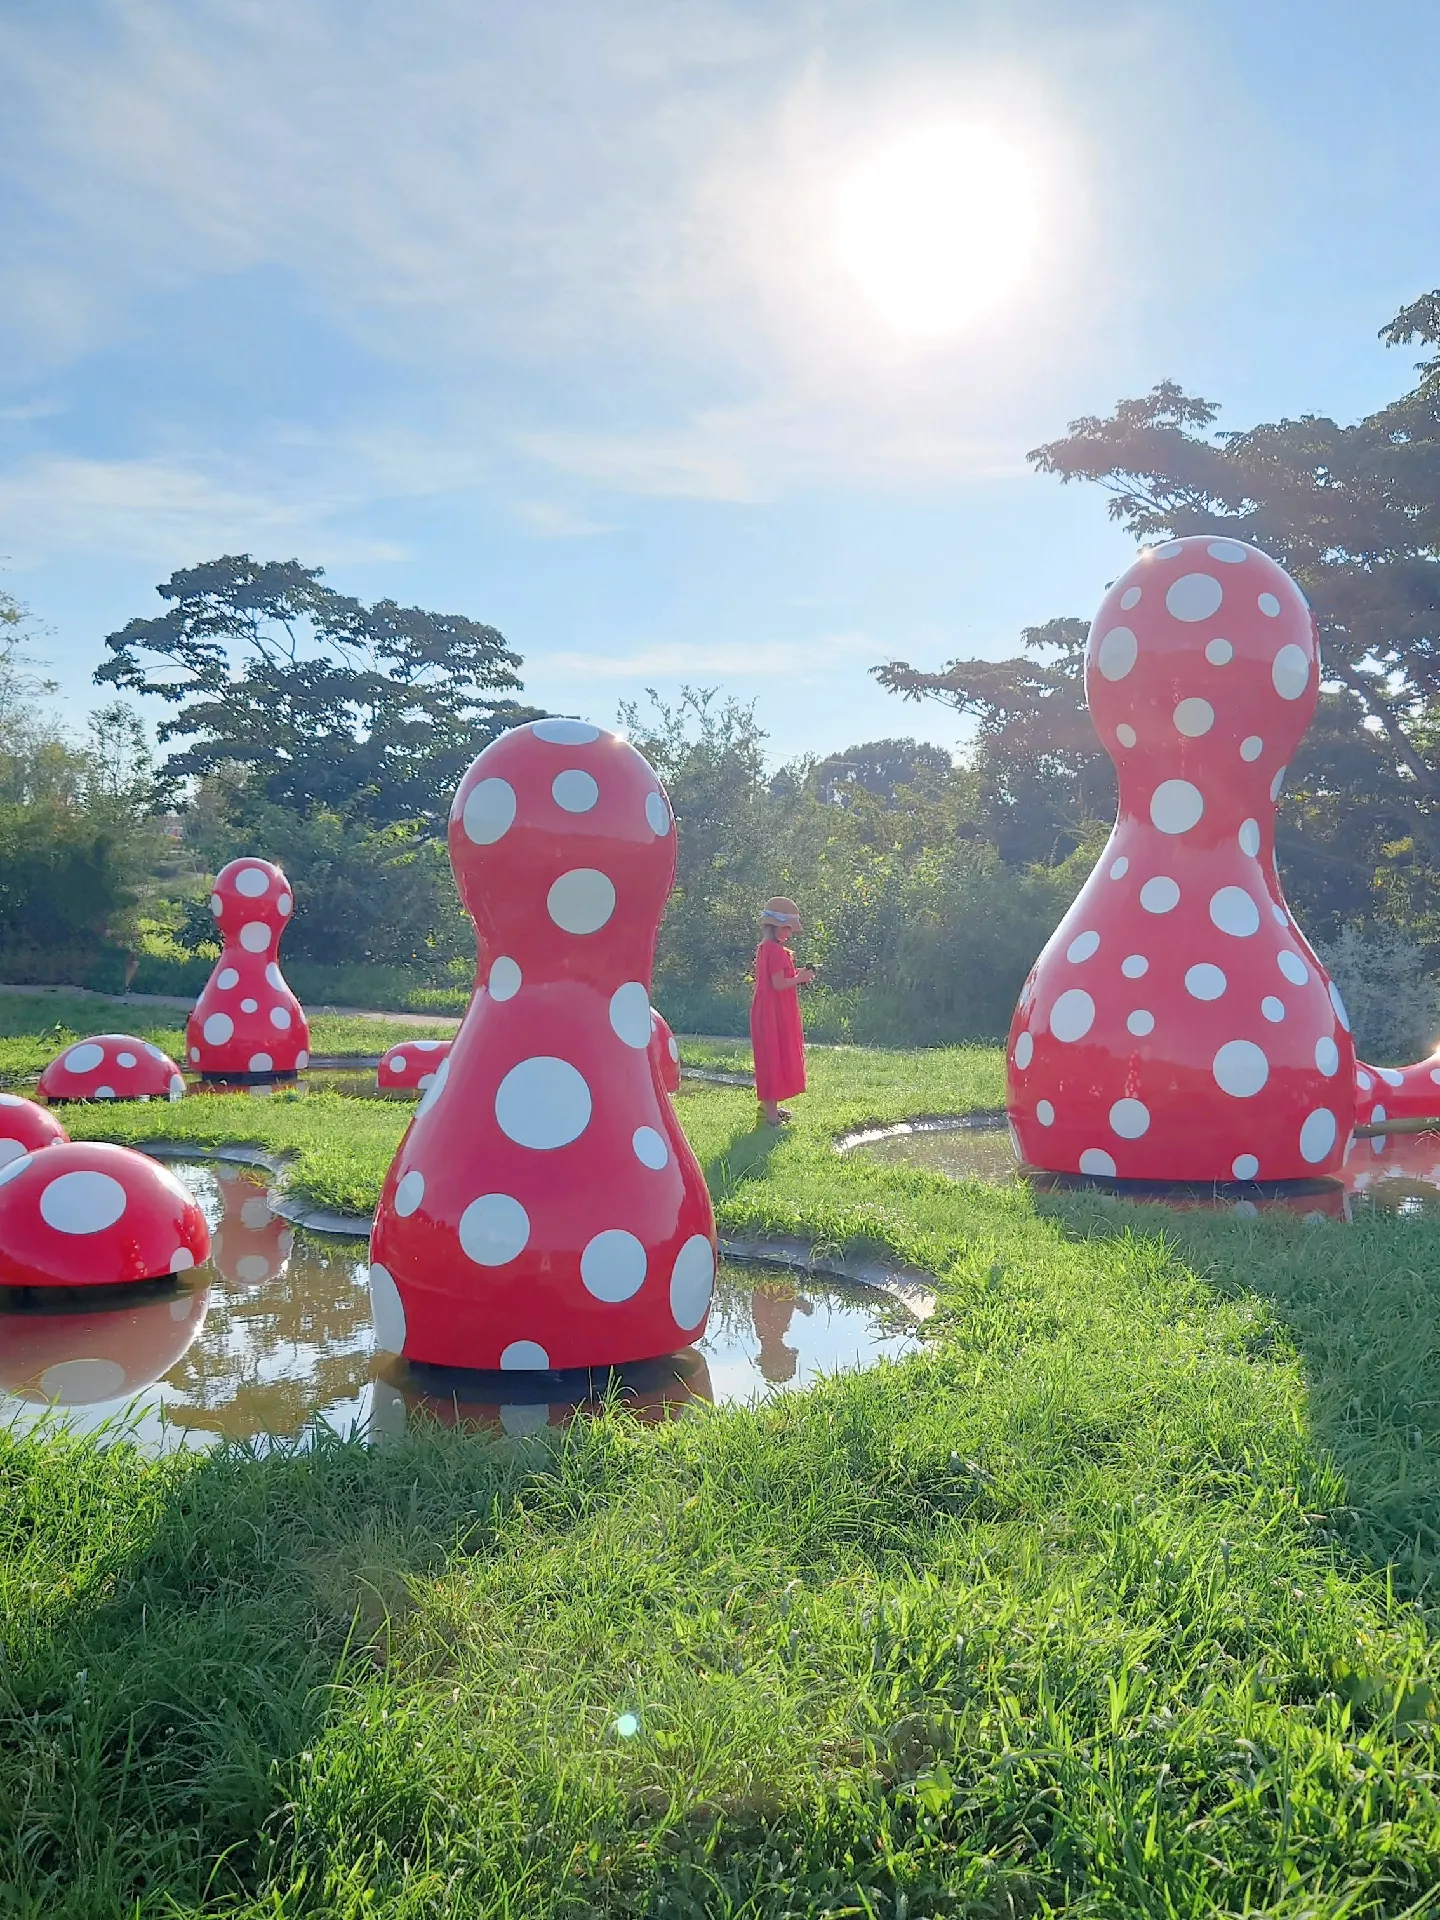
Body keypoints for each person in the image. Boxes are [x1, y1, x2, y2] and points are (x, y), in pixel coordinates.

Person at [749, 896, 815, 1126]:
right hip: (773, 1012)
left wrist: (796, 975)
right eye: (787, 928)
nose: (789, 933)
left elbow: (776, 978)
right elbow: (778, 983)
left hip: (771, 1009)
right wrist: (800, 978)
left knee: (772, 1056)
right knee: (772, 1057)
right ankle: (770, 1117)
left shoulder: (768, 948)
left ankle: (771, 1109)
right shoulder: (775, 951)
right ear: (775, 927)